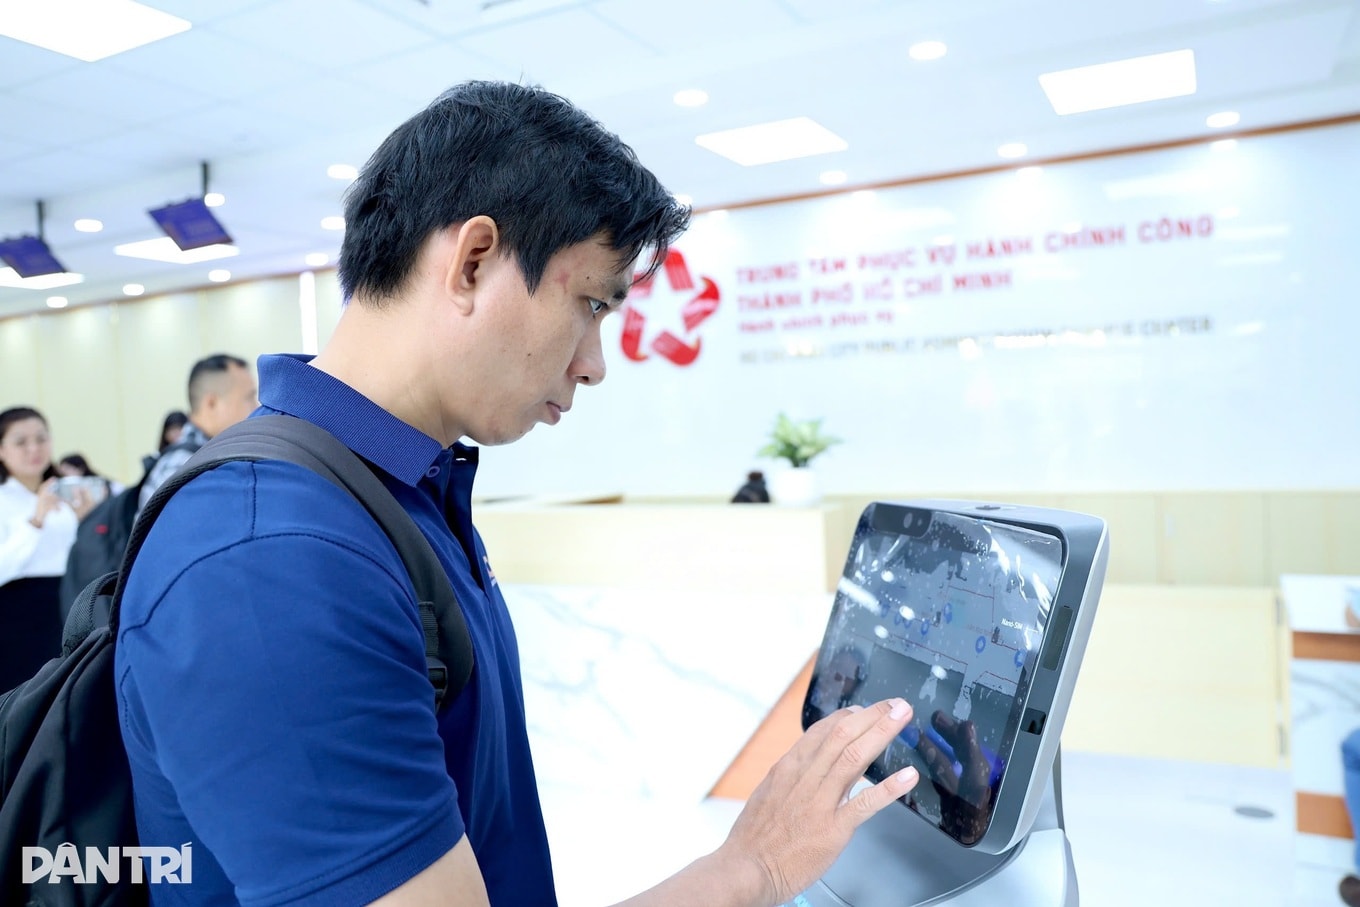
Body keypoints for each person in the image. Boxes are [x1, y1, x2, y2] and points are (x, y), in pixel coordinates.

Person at [115, 80, 920, 907]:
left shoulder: (398, 491)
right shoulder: (270, 559)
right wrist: (752, 868)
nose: (594, 363)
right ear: (473, 262)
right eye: (592, 304)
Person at [0, 407, 97, 691]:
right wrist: (36, 520)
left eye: (41, 439)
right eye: (21, 442)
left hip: (66, 605)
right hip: (17, 613)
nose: (34, 449)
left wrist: (85, 520)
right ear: (2, 450)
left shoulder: (61, 496)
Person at [136, 355, 257, 511]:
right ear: (212, 403)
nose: (256, 407)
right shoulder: (181, 467)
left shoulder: (211, 458)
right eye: (248, 398)